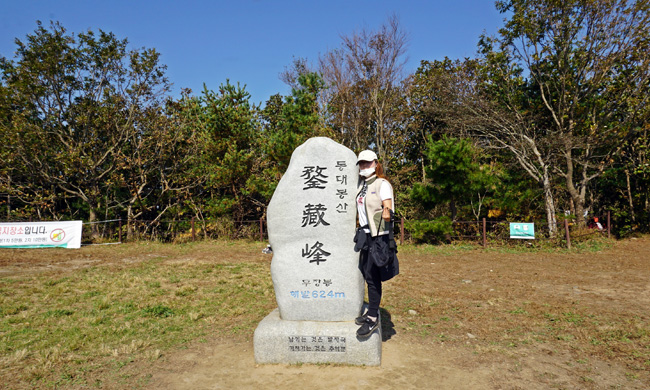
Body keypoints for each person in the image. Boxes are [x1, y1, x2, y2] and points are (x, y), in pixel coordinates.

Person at [354, 150, 399, 338]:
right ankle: (372, 311)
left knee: (373, 276)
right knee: (366, 273)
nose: (364, 166)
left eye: (367, 163)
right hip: (364, 235)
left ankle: (372, 317)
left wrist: (387, 213)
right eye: (361, 164)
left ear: (375, 163)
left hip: (378, 235)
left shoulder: (382, 184)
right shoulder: (361, 185)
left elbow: (387, 207)